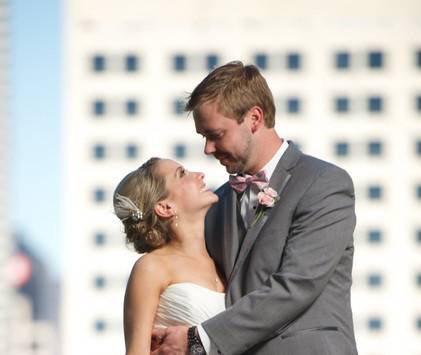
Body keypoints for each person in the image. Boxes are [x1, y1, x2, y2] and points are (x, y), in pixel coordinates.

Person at [151, 61, 358, 355]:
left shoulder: (324, 183)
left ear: (254, 118)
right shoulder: (215, 204)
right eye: (203, 137)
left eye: (215, 134)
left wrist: (199, 340)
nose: (207, 149)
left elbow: (297, 285)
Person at [114, 157, 227, 355]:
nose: (199, 175)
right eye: (182, 174)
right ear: (165, 207)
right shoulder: (151, 267)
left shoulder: (225, 256)